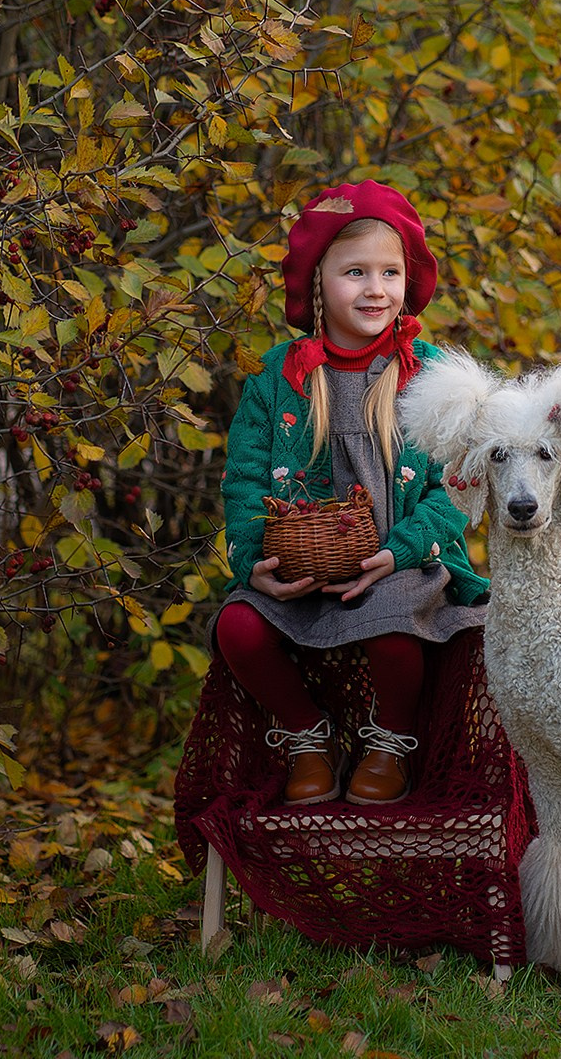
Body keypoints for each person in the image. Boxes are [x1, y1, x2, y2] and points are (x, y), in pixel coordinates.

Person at [214, 181, 489, 806]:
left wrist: (401, 550)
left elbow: (460, 486)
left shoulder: (431, 375)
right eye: (355, 272)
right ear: (317, 282)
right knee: (238, 629)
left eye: (390, 272)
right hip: (303, 567)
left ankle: (390, 740)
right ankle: (308, 737)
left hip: (400, 561)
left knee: (392, 622)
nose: (376, 289)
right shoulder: (279, 377)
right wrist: (254, 563)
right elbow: (245, 480)